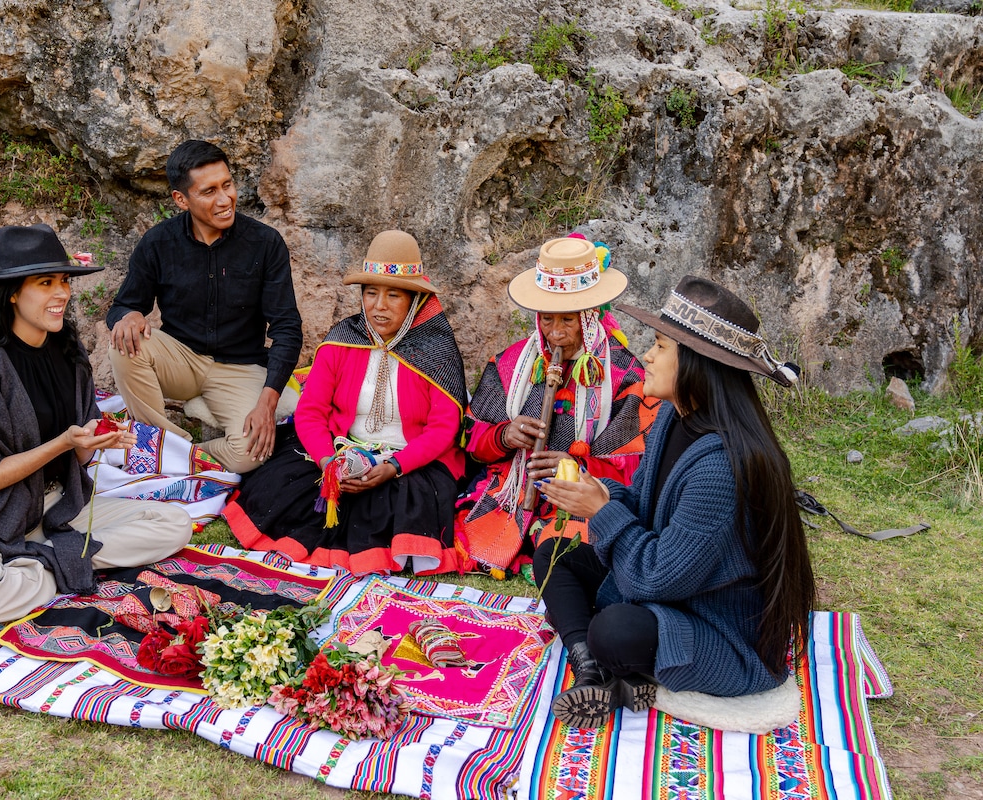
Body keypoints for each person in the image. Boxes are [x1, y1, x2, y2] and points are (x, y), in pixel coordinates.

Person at [535, 275, 815, 729]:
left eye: (662, 346)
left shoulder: (722, 465)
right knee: (555, 553)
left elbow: (657, 579)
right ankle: (595, 668)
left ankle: (609, 659)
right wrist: (600, 493)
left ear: (698, 365)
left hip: (717, 628)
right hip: (676, 586)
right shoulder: (672, 416)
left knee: (617, 630)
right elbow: (646, 505)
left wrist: (601, 511)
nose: (647, 354)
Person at [0, 224, 193, 637]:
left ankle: (40, 562)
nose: (62, 293)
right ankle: (66, 562)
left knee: (174, 523)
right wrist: (64, 442)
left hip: (54, 510)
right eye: (46, 282)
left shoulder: (69, 356)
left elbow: (78, 452)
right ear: (12, 291)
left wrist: (92, 443)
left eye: (65, 281)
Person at [223, 230, 468, 575]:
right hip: (339, 449)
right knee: (286, 491)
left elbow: (443, 428)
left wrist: (393, 467)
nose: (378, 306)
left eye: (393, 295)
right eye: (371, 293)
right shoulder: (342, 341)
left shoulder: (437, 351)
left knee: (394, 505)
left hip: (408, 461)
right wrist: (327, 461)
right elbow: (311, 412)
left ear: (414, 300)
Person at [456, 234, 652, 575]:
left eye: (567, 320)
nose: (555, 334)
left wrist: (576, 467)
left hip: (585, 495)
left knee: (578, 542)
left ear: (590, 317)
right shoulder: (509, 364)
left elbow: (638, 467)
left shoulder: (625, 374)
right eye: (547, 319)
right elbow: (471, 439)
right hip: (512, 489)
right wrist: (504, 436)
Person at [106, 139, 303, 474]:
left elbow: (287, 326)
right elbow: (124, 305)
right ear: (181, 199)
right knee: (124, 344)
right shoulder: (158, 243)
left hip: (240, 368)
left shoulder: (265, 243)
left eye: (227, 185)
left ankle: (181, 453)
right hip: (181, 359)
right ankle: (160, 441)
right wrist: (130, 315)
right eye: (209, 191)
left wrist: (268, 402)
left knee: (251, 453)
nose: (225, 199)